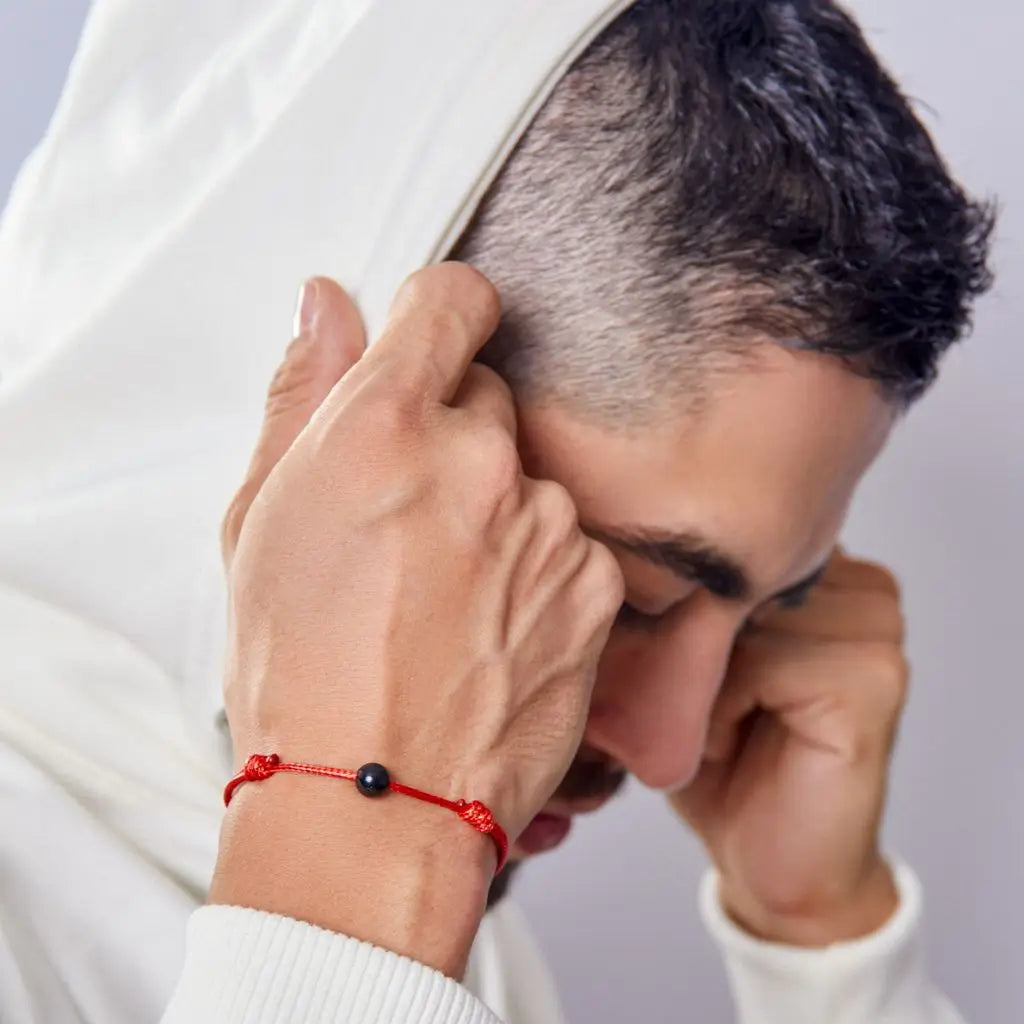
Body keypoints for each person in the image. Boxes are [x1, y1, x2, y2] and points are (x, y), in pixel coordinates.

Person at [0, 1, 992, 1022]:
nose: (674, 753)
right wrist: (354, 888)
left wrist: (826, 946)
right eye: (623, 592)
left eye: (768, 614)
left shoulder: (450, 917)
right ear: (295, 386)